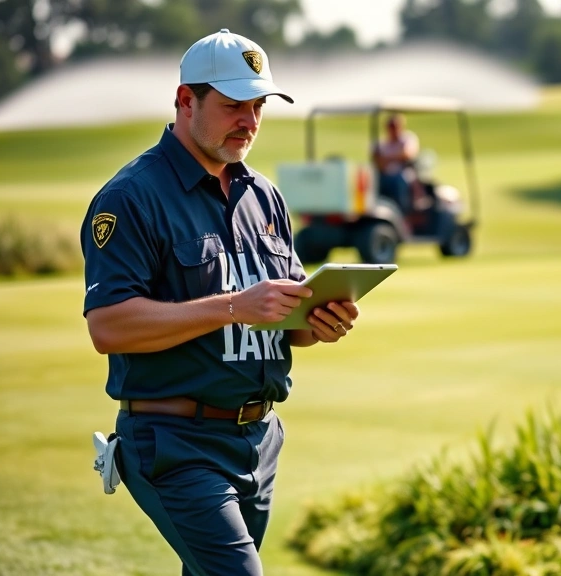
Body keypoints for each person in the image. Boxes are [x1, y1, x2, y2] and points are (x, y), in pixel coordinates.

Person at [80, 29, 359, 576]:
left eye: (258, 107)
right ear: (187, 101)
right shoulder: (130, 197)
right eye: (234, 106)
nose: (249, 121)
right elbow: (108, 327)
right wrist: (233, 306)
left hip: (259, 440)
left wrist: (319, 320)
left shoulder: (264, 195)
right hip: (175, 443)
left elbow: (285, 317)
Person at [372, 113, 421, 213]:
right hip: (384, 175)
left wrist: (387, 158)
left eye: (395, 126)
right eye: (391, 126)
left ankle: (403, 212)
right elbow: (378, 161)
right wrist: (395, 157)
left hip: (404, 173)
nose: (393, 129)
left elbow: (407, 154)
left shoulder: (407, 138)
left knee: (399, 180)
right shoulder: (382, 143)